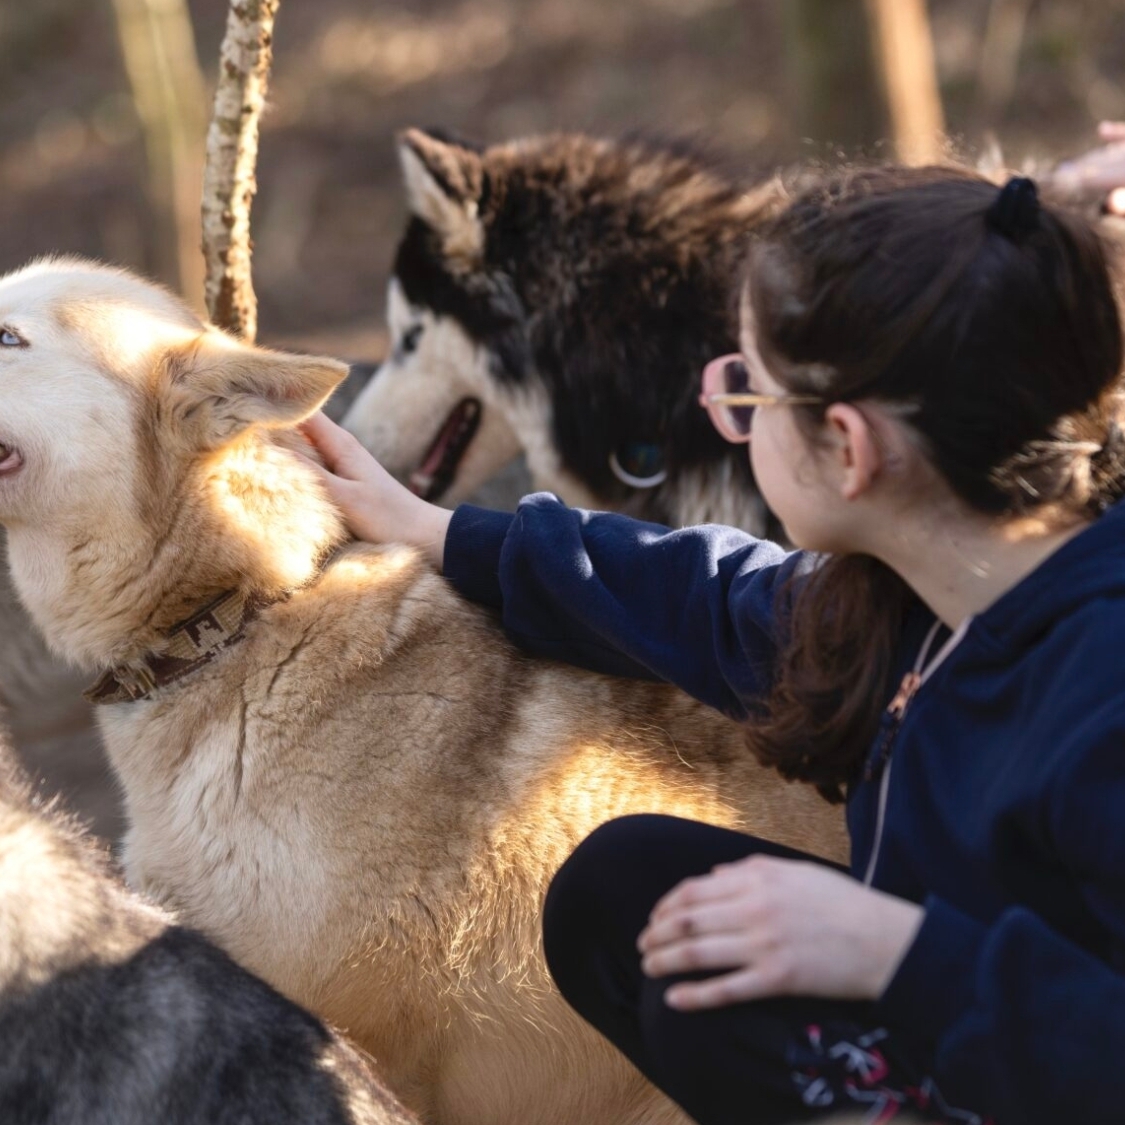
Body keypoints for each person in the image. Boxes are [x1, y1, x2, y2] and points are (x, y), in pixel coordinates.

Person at [301, 163, 1125, 1125]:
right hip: (962, 1030)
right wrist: (434, 528)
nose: (718, 404)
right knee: (630, 898)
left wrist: (890, 950)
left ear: (850, 449)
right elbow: (710, 594)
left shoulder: (1100, 693)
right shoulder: (922, 596)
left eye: (749, 390)